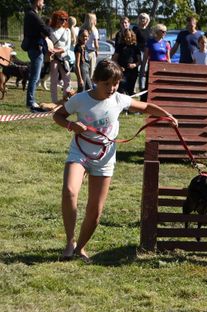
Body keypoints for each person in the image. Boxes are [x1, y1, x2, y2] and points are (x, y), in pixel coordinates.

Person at [52, 59, 177, 262]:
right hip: (80, 152)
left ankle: (81, 248)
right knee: (69, 191)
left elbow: (145, 107)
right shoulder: (81, 99)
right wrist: (70, 126)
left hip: (104, 159)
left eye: (115, 84)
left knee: (95, 211)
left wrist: (168, 116)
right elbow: (58, 115)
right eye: (106, 84)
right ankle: (69, 242)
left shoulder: (119, 99)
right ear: (95, 81)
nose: (111, 88)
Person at [23, 0, 52, 112]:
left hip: (34, 48)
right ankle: (30, 101)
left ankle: (31, 100)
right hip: (35, 48)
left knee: (35, 75)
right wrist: (46, 29)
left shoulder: (31, 14)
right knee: (34, 76)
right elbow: (47, 30)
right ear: (37, 1)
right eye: (42, 2)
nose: (43, 4)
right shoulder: (32, 15)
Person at [141, 24, 170, 101]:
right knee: (148, 85)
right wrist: (143, 68)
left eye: (165, 32)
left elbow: (168, 58)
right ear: (158, 31)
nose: (165, 33)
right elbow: (145, 57)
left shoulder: (166, 43)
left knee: (162, 85)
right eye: (163, 31)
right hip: (152, 67)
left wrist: (169, 68)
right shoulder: (150, 42)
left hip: (162, 68)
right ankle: (145, 102)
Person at [49, 10, 72, 104]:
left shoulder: (67, 30)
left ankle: (66, 100)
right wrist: (53, 50)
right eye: (61, 19)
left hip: (64, 57)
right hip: (53, 57)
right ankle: (54, 101)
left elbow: (68, 46)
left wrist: (59, 50)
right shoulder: (50, 30)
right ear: (56, 19)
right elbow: (48, 43)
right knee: (54, 80)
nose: (64, 21)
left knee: (67, 79)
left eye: (65, 19)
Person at [114, 29, 141, 95]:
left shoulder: (136, 47)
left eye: (129, 37)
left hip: (133, 72)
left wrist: (134, 65)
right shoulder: (120, 46)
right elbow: (114, 59)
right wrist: (119, 67)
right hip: (122, 72)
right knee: (121, 90)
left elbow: (139, 61)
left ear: (132, 36)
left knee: (130, 91)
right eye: (125, 37)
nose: (127, 39)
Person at [133, 12, 151, 91]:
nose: (142, 20)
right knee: (137, 71)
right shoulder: (135, 29)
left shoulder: (149, 30)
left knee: (144, 71)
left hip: (147, 53)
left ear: (147, 20)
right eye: (141, 18)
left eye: (144, 18)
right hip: (137, 52)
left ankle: (143, 88)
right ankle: (134, 88)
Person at [81, 13, 99, 78]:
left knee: (84, 70)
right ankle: (90, 86)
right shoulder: (94, 30)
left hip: (83, 51)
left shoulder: (82, 29)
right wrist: (97, 50)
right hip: (91, 52)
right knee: (91, 71)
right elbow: (96, 44)